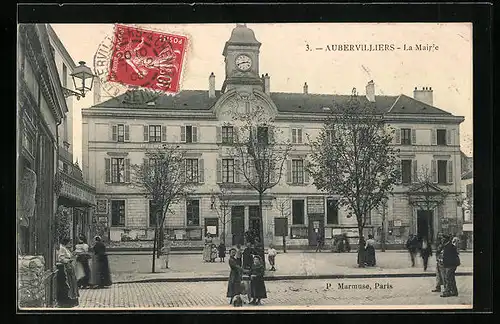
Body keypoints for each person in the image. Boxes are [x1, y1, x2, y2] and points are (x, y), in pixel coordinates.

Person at [56, 237, 79, 307]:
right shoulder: (62, 248)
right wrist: (68, 260)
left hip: (69, 267)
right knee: (68, 284)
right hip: (66, 268)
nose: (70, 244)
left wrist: (72, 255)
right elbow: (61, 258)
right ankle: (68, 301)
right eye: (69, 243)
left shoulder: (65, 248)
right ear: (66, 243)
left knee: (71, 283)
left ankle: (72, 299)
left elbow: (68, 256)